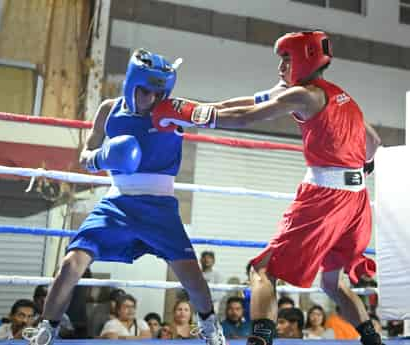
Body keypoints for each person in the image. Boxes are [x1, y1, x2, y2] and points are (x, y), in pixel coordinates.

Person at [151, 30, 383, 345]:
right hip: (357, 203)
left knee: (262, 270)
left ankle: (260, 340)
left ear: (305, 58)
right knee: (332, 283)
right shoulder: (344, 98)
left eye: (287, 58)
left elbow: (245, 116)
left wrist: (187, 113)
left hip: (325, 199)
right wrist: (194, 107)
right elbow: (374, 143)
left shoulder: (304, 95)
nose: (280, 66)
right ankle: (373, 339)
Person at [23, 48, 225, 345]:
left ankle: (210, 328)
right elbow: (85, 155)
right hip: (116, 201)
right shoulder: (108, 109)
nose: (151, 99)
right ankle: (46, 329)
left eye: (158, 93)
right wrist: (101, 157)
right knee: (72, 263)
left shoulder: (171, 110)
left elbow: (219, 114)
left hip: (159, 205)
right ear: (131, 85)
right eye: (145, 91)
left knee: (191, 274)